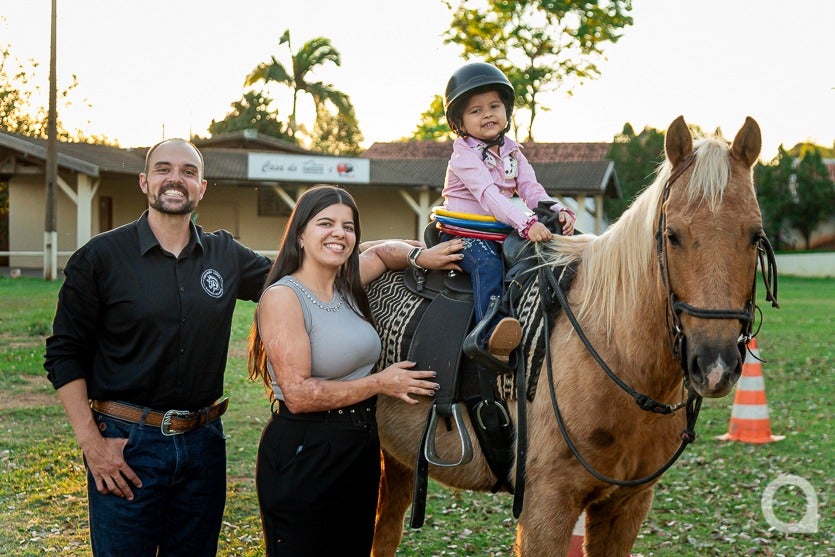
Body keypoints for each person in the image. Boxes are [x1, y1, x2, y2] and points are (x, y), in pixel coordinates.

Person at [43, 138, 272, 557]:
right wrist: (93, 445)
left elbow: (297, 280)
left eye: (188, 172)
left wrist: (391, 255)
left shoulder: (226, 255)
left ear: (202, 188)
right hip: (126, 448)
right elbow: (63, 354)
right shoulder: (100, 258)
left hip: (204, 446)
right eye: (164, 169)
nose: (176, 179)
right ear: (145, 182)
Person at [247, 185, 464, 557]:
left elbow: (382, 252)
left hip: (359, 447)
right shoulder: (284, 297)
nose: (340, 234)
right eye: (325, 223)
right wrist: (383, 381)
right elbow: (298, 395)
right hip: (306, 449)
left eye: (349, 227)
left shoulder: (348, 286)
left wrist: (419, 257)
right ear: (300, 232)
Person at [441, 61, 576, 362]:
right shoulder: (464, 155)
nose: (487, 114)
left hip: (497, 229)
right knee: (488, 265)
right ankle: (489, 335)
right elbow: (490, 196)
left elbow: (531, 190)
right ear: (460, 123)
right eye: (475, 111)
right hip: (465, 233)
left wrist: (557, 210)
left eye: (494, 106)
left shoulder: (512, 151)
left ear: (506, 112)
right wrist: (527, 224)